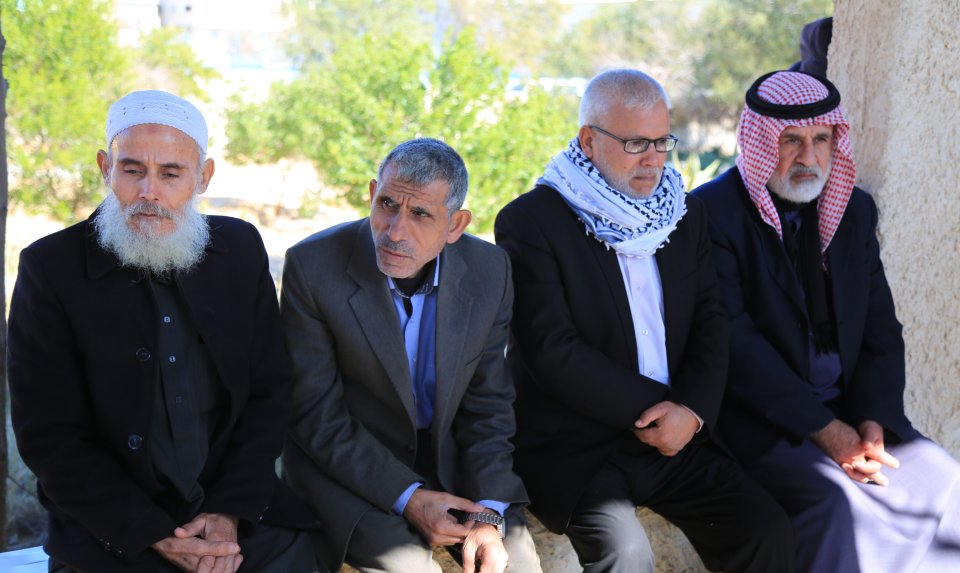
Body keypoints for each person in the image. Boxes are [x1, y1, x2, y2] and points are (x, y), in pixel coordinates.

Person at [8, 91, 322, 572]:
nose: (148, 192)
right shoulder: (50, 268)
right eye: (132, 170)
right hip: (114, 530)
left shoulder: (239, 250)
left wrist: (228, 513)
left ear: (203, 177)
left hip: (235, 518)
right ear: (105, 168)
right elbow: (49, 435)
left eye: (171, 174)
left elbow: (269, 392)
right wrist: (152, 534)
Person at [494, 68, 794, 573]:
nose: (653, 159)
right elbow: (551, 349)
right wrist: (659, 409)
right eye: (635, 143)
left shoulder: (683, 214)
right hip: (579, 446)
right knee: (626, 556)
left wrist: (691, 411)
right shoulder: (531, 221)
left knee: (766, 529)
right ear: (589, 140)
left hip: (675, 437)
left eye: (661, 142)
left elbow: (711, 321)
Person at [692, 70, 960, 572]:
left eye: (821, 139)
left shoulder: (853, 210)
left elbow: (881, 330)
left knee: (945, 480)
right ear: (760, 142)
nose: (809, 157)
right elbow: (734, 345)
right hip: (762, 422)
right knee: (843, 505)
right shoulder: (712, 213)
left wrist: (873, 420)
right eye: (790, 140)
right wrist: (827, 432)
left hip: (851, 412)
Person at [280, 138, 542, 573]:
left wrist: (488, 513)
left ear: (456, 225)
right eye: (387, 204)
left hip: (450, 462)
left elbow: (488, 405)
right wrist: (411, 499)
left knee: (518, 567)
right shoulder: (313, 266)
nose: (395, 231)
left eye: (420, 214)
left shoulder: (490, 270)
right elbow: (316, 416)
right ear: (372, 193)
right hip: (350, 469)